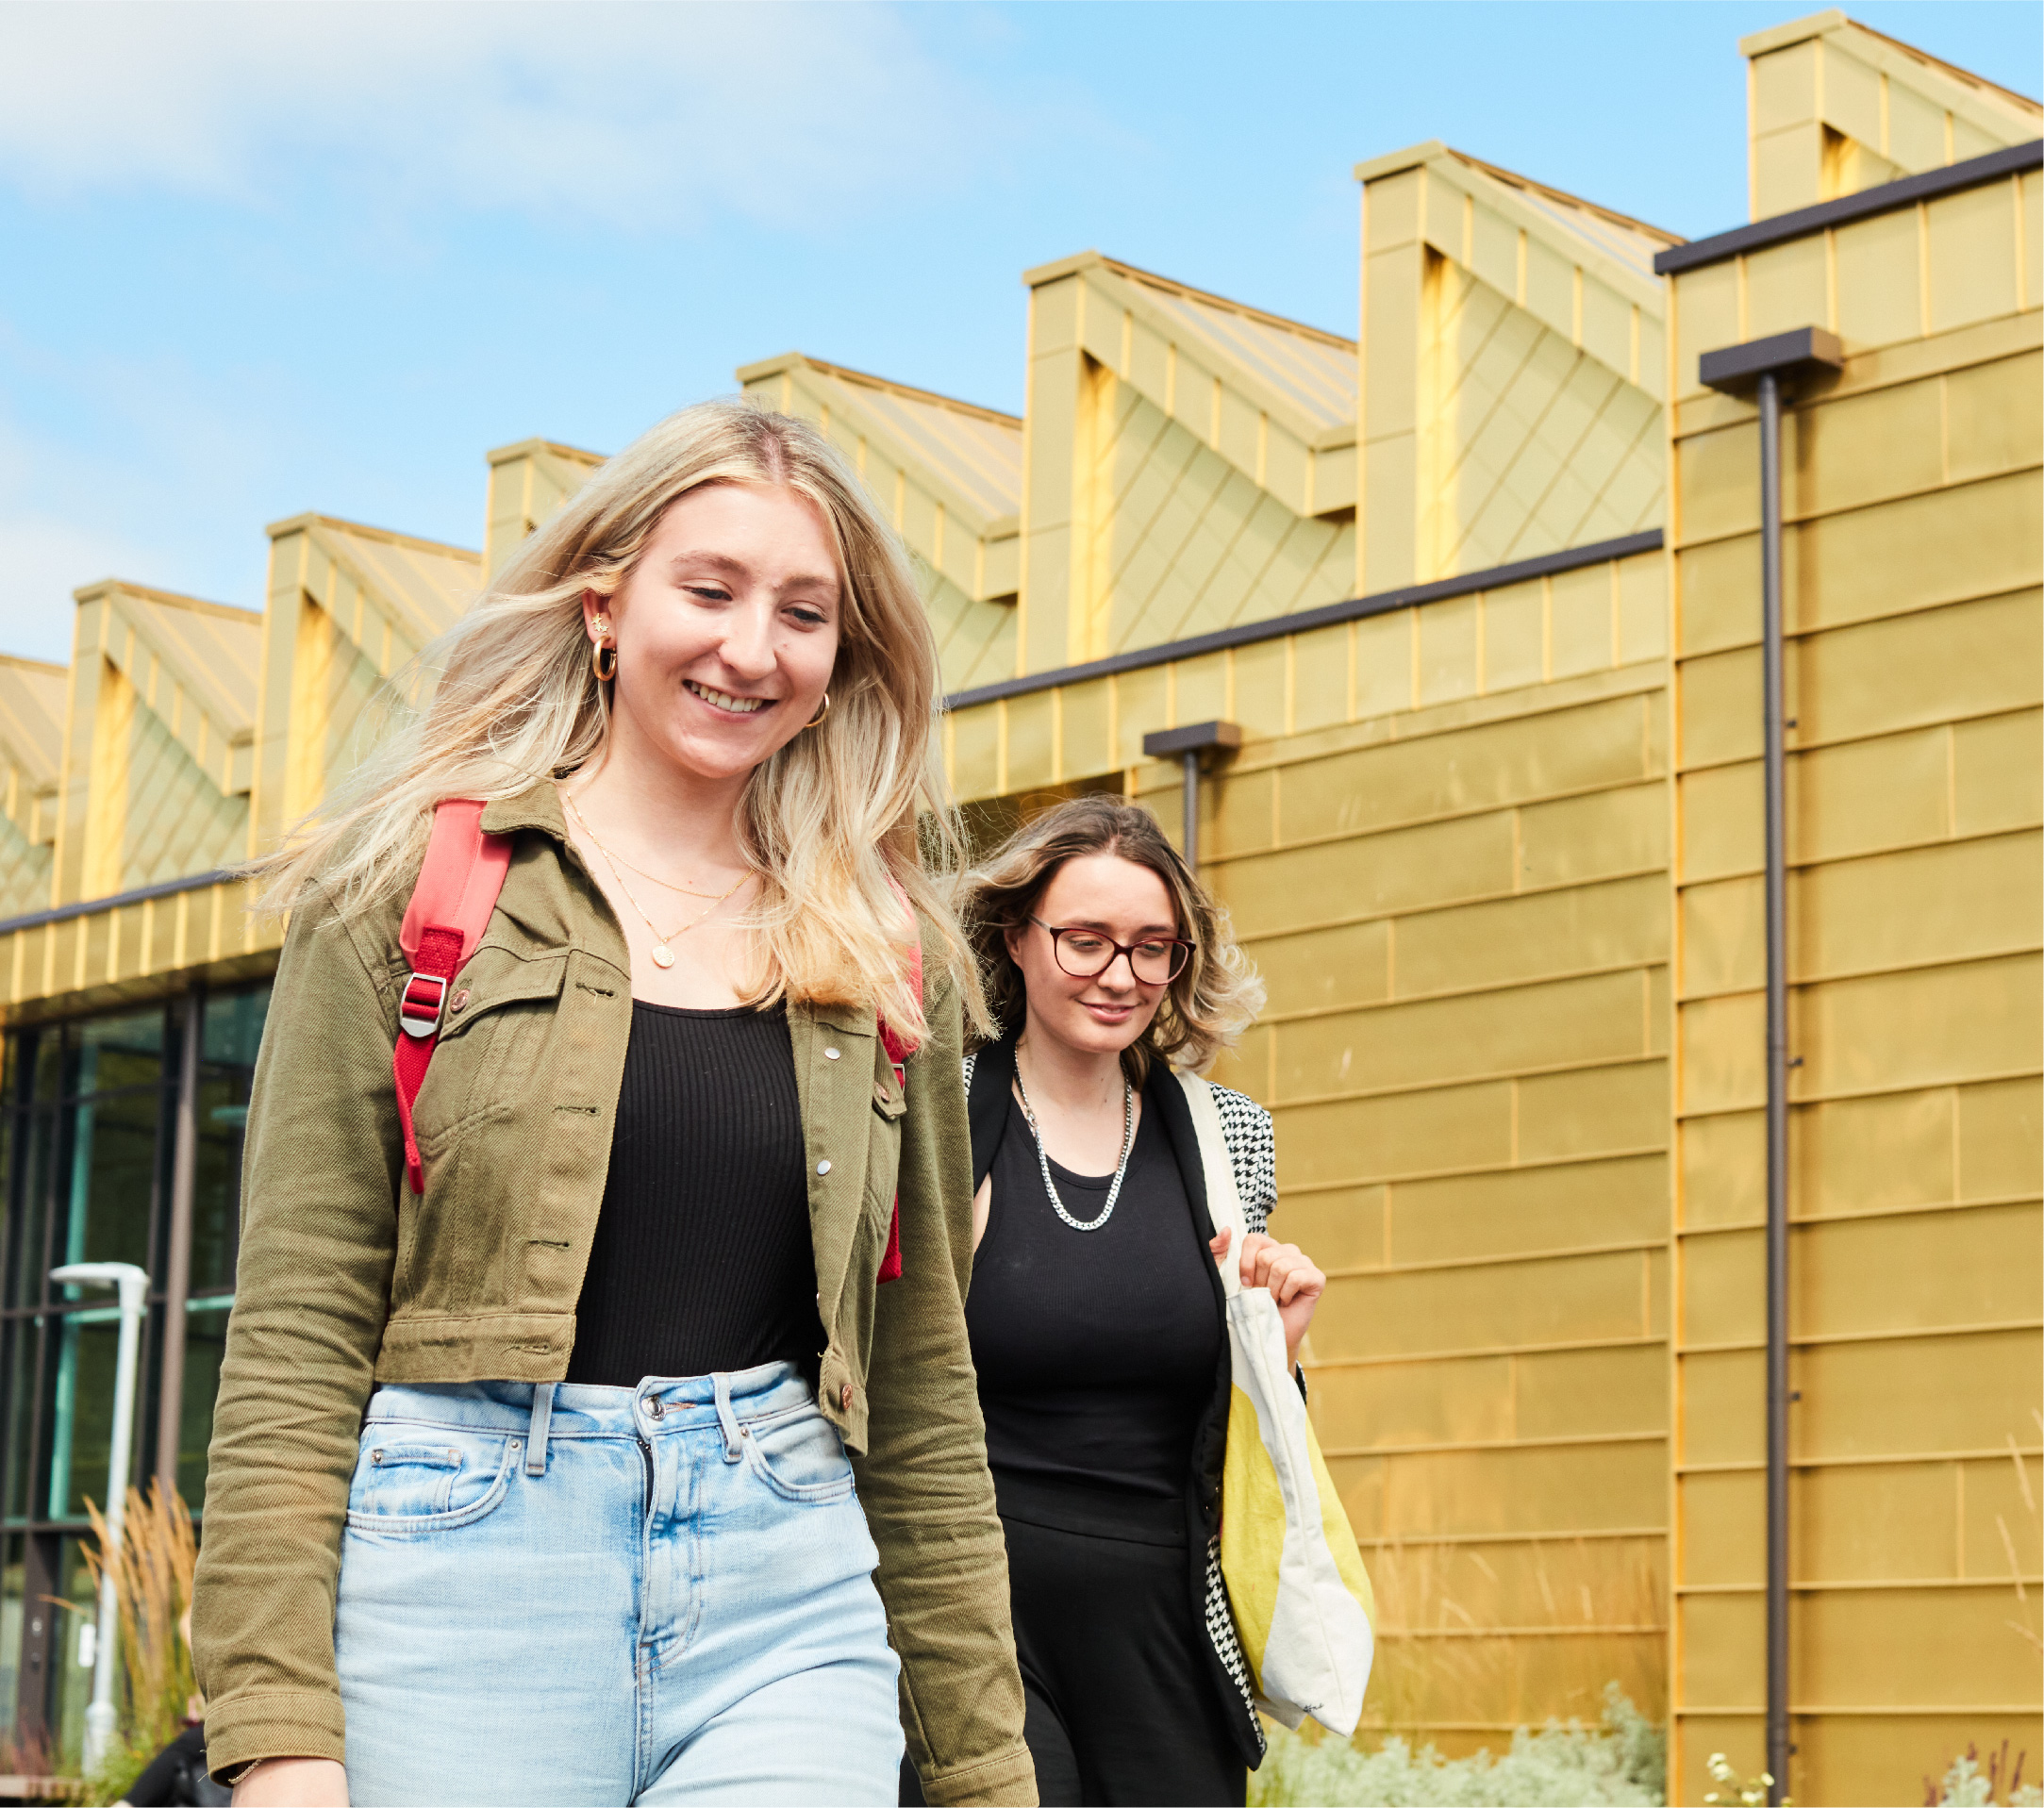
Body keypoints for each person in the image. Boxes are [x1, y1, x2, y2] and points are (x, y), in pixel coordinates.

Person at [190, 400, 1034, 1808]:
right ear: (603, 605)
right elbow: (294, 1336)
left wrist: (983, 1770)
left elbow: (922, 1377)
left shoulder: (884, 943)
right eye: (706, 589)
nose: (748, 648)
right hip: (463, 1574)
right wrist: (279, 1737)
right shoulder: (401, 891)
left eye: (804, 614)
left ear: (840, 662)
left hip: (786, 1584)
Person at [906, 795, 1326, 1808]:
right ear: (1015, 938)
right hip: (972, 1613)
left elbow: (1246, 1433)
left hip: (1169, 1620)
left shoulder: (1227, 1136)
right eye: (1084, 940)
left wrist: (1284, 1344)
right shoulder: (935, 1117)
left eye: (1152, 948)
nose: (1120, 975)